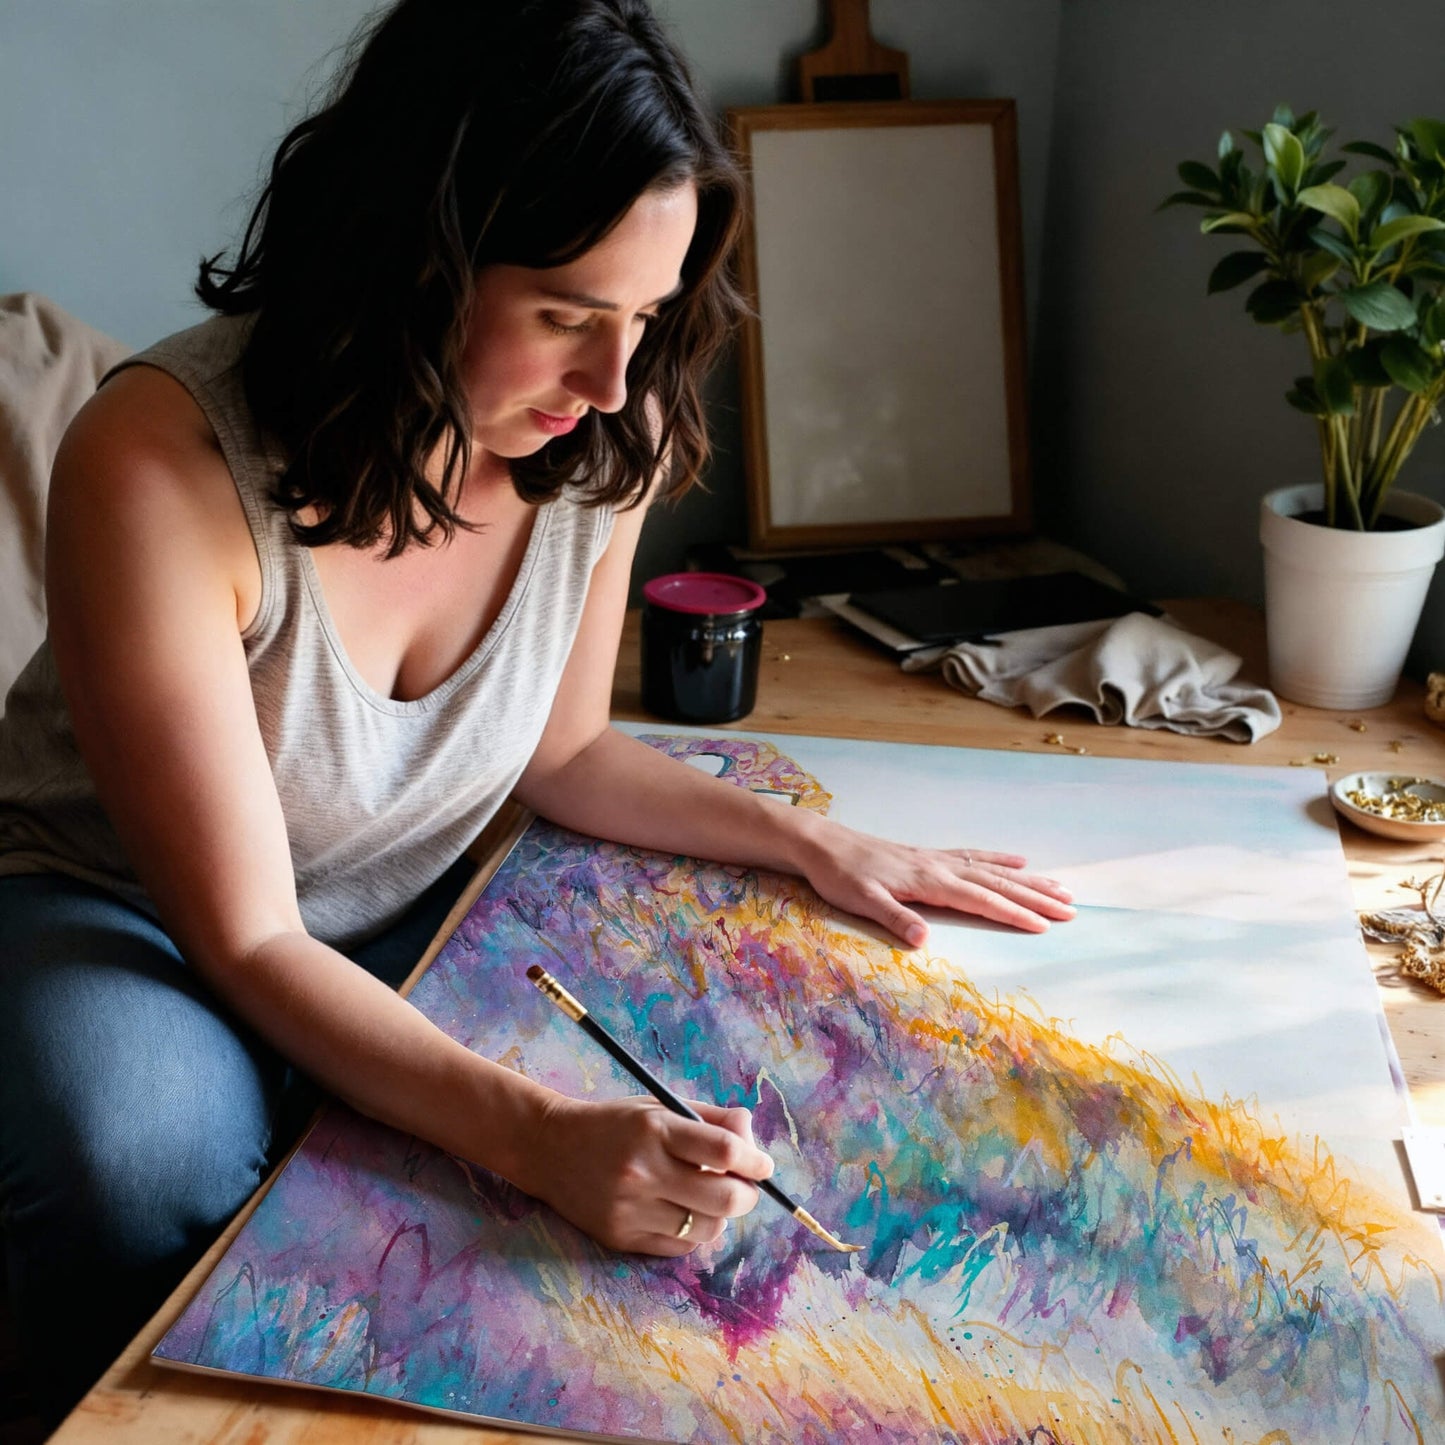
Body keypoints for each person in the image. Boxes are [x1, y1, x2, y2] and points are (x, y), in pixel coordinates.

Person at [0, 0, 1076, 1422]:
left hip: (395, 892)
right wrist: (534, 1136)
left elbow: (561, 750)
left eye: (643, 317)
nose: (614, 378)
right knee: (139, 1148)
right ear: (409, 260)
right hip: (124, 906)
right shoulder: (158, 461)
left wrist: (809, 843)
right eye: (568, 315)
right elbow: (247, 931)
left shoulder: (598, 432)